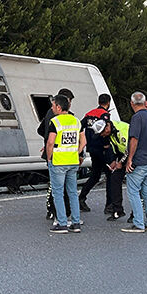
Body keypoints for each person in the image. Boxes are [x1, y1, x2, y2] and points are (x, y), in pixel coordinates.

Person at [46, 93, 86, 233]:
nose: (52, 108)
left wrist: (49, 158)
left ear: (58, 106)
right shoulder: (76, 121)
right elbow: (84, 141)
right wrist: (76, 152)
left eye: (53, 105)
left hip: (58, 162)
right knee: (73, 193)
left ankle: (62, 223)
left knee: (58, 193)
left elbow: (51, 142)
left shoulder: (55, 122)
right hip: (73, 161)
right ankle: (76, 223)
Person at [121, 92, 147, 233]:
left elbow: (134, 139)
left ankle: (138, 223)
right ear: (145, 103)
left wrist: (129, 159)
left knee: (133, 191)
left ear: (132, 103)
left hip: (140, 161)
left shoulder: (136, 118)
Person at [39, 88, 75, 222]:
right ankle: (62, 215)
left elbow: (40, 130)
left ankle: (51, 211)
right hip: (62, 156)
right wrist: (51, 144)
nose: (70, 104)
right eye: (69, 101)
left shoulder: (49, 113)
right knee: (63, 189)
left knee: (54, 186)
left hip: (52, 153)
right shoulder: (68, 117)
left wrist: (47, 142)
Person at [79, 94, 112, 212]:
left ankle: (81, 197)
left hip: (92, 148)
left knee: (95, 175)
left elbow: (80, 127)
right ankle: (110, 205)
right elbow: (107, 131)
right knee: (110, 175)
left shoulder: (89, 114)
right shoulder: (105, 115)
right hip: (102, 148)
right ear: (108, 103)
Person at [102, 118, 128, 219]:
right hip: (124, 155)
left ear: (107, 128)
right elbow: (116, 149)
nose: (102, 135)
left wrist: (121, 162)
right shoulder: (111, 133)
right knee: (114, 179)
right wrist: (114, 161)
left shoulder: (122, 130)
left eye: (102, 133)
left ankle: (135, 214)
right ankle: (118, 209)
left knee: (134, 185)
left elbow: (130, 148)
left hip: (136, 154)